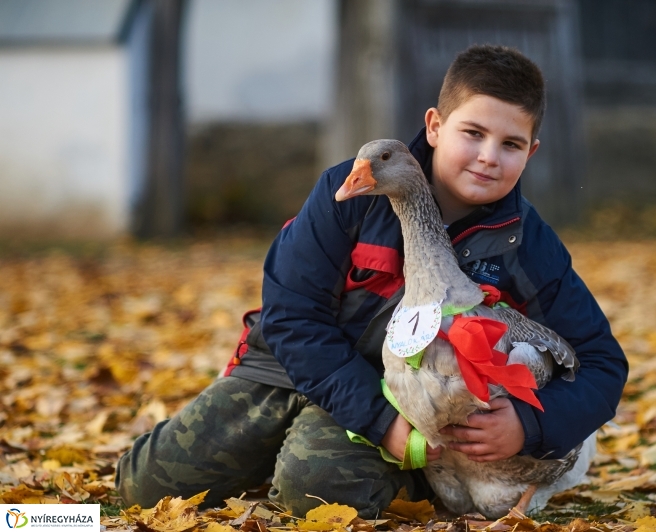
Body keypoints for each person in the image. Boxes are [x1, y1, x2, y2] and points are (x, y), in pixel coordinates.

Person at [115, 44, 628, 517]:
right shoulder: (348, 195)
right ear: (434, 126)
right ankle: (40, 521)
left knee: (314, 488)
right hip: (291, 371)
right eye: (473, 133)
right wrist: (379, 422)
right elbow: (292, 316)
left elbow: (602, 364)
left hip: (408, 405)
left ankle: (423, 487)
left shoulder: (527, 244)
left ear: (531, 153)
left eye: (510, 143)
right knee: (145, 487)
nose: (489, 156)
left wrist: (527, 427)